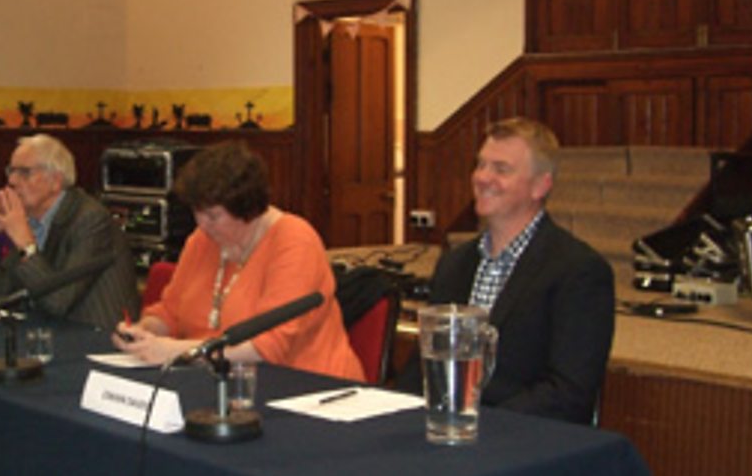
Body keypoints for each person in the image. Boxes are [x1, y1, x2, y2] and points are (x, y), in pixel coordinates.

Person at [394, 117, 615, 424]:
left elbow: (568, 393)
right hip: (446, 431)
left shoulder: (578, 271)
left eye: (501, 169)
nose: (482, 177)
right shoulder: (454, 263)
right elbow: (423, 367)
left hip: (524, 436)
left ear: (540, 185)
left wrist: (480, 423)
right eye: (481, 165)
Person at [113, 141, 362, 382]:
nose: (202, 223)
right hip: (218, 380)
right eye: (197, 212)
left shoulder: (294, 241)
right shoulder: (201, 241)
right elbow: (170, 312)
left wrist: (176, 351)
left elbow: (268, 348)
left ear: (247, 209)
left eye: (213, 215)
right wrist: (145, 332)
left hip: (306, 386)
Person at [0, 133, 138, 330]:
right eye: (11, 171)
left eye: (24, 172)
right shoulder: (30, 221)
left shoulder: (90, 220)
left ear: (55, 181)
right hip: (47, 332)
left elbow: (58, 301)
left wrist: (25, 243)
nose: (12, 180)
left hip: (95, 337)